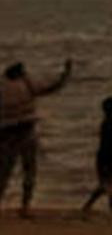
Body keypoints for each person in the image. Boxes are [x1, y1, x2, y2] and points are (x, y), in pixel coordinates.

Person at [0, 57, 74, 218]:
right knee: (28, 170)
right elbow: (51, 87)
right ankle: (25, 206)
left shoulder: (5, 86)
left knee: (5, 172)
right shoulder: (27, 83)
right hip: (24, 131)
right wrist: (66, 74)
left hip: (7, 133)